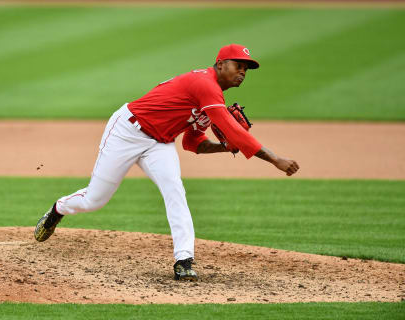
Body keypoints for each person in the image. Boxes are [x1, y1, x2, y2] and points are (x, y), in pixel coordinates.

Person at [34, 44, 300, 281]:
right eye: (237, 65)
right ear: (220, 65)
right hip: (126, 132)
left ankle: (183, 261)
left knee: (175, 191)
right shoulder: (206, 85)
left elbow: (192, 143)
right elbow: (233, 130)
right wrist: (275, 159)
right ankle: (59, 209)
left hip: (159, 144)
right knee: (95, 199)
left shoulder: (213, 100)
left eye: (246, 69)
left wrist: (224, 147)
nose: (242, 72)